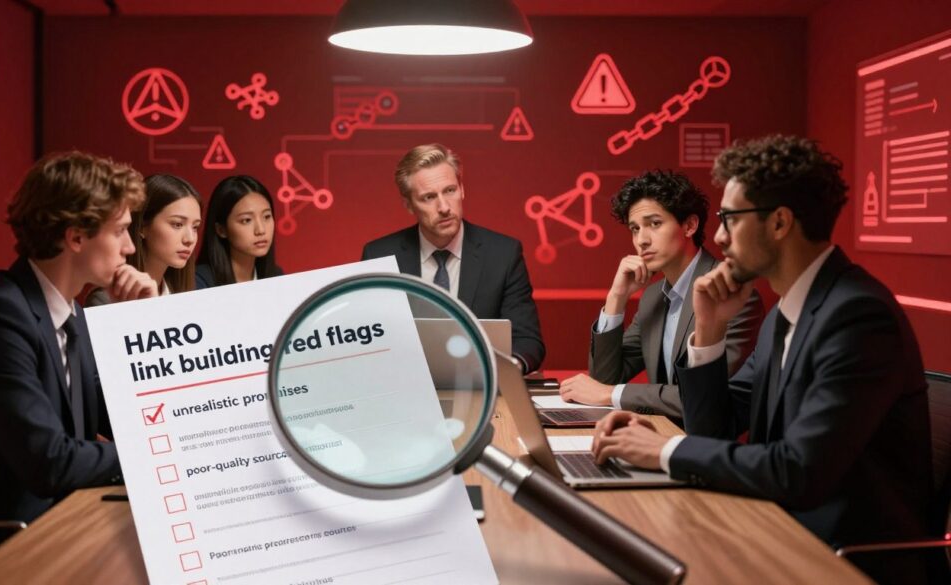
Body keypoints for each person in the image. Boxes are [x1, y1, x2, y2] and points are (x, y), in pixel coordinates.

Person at [591, 136, 933, 583]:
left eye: (730, 219)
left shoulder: (857, 315)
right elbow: (712, 427)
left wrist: (665, 449)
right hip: (782, 530)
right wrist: (709, 330)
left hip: (846, 561)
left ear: (779, 223)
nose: (717, 236)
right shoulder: (788, 312)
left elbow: (798, 471)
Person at [0, 152, 156, 581]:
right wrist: (149, 455)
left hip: (56, 523)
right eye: (122, 231)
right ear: (75, 237)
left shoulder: (72, 312)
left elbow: (129, 420)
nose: (130, 248)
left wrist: (141, 325)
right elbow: (50, 463)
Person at [559, 170, 762, 419]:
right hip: (658, 435)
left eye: (654, 224)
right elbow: (605, 379)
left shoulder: (729, 292)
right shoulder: (653, 296)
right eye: (635, 228)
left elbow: (710, 397)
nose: (641, 240)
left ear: (689, 225)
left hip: (707, 447)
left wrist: (613, 395)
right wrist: (616, 298)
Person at [361, 143, 545, 373]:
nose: (444, 207)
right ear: (409, 205)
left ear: (462, 189)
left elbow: (527, 341)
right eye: (428, 197)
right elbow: (368, 343)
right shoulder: (379, 257)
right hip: (406, 388)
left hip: (484, 388)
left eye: (450, 190)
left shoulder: (503, 254)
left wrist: (505, 372)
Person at [85, 174, 202, 305]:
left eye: (195, 227)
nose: (190, 239)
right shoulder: (107, 300)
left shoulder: (187, 299)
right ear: (142, 226)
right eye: (177, 224)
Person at [195, 175, 282, 288]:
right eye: (246, 220)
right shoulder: (200, 281)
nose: (261, 230)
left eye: (266, 217)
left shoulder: (277, 276)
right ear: (221, 230)